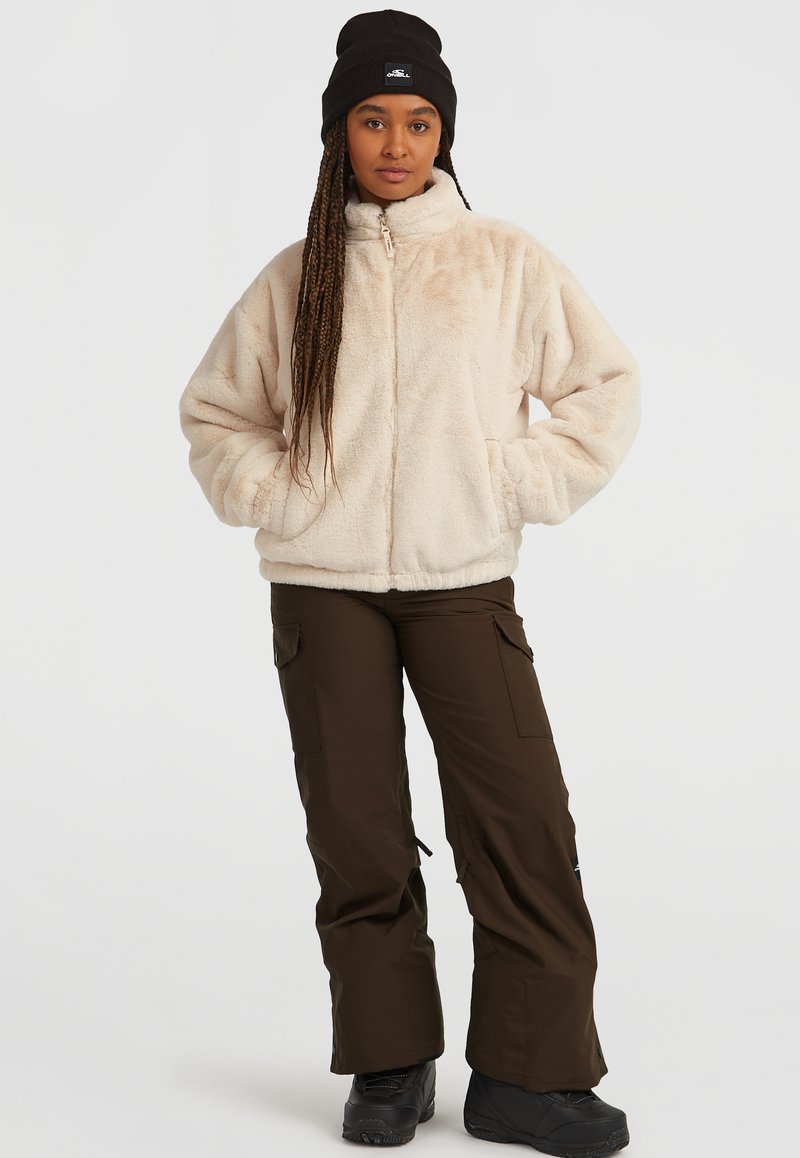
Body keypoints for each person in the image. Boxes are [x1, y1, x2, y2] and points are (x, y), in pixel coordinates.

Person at [178, 9, 640, 1155]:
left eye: (419, 121)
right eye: (373, 120)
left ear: (445, 133)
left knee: (520, 822)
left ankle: (526, 1077)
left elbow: (601, 388)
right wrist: (282, 493)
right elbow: (217, 413)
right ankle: (389, 1063)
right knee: (357, 829)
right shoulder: (296, 276)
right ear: (338, 133)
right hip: (321, 585)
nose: (396, 143)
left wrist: (506, 479)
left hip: (459, 576)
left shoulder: (500, 260)